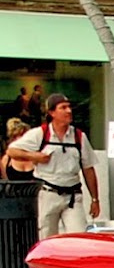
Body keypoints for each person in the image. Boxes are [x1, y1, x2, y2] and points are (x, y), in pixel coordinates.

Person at [6, 94, 101, 236]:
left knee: (79, 238)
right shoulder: (40, 134)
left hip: (73, 196)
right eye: (63, 108)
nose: (69, 111)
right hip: (48, 194)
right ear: (51, 112)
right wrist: (34, 156)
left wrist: (95, 199)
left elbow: (88, 169)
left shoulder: (79, 136)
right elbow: (12, 151)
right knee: (47, 238)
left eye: (69, 107)